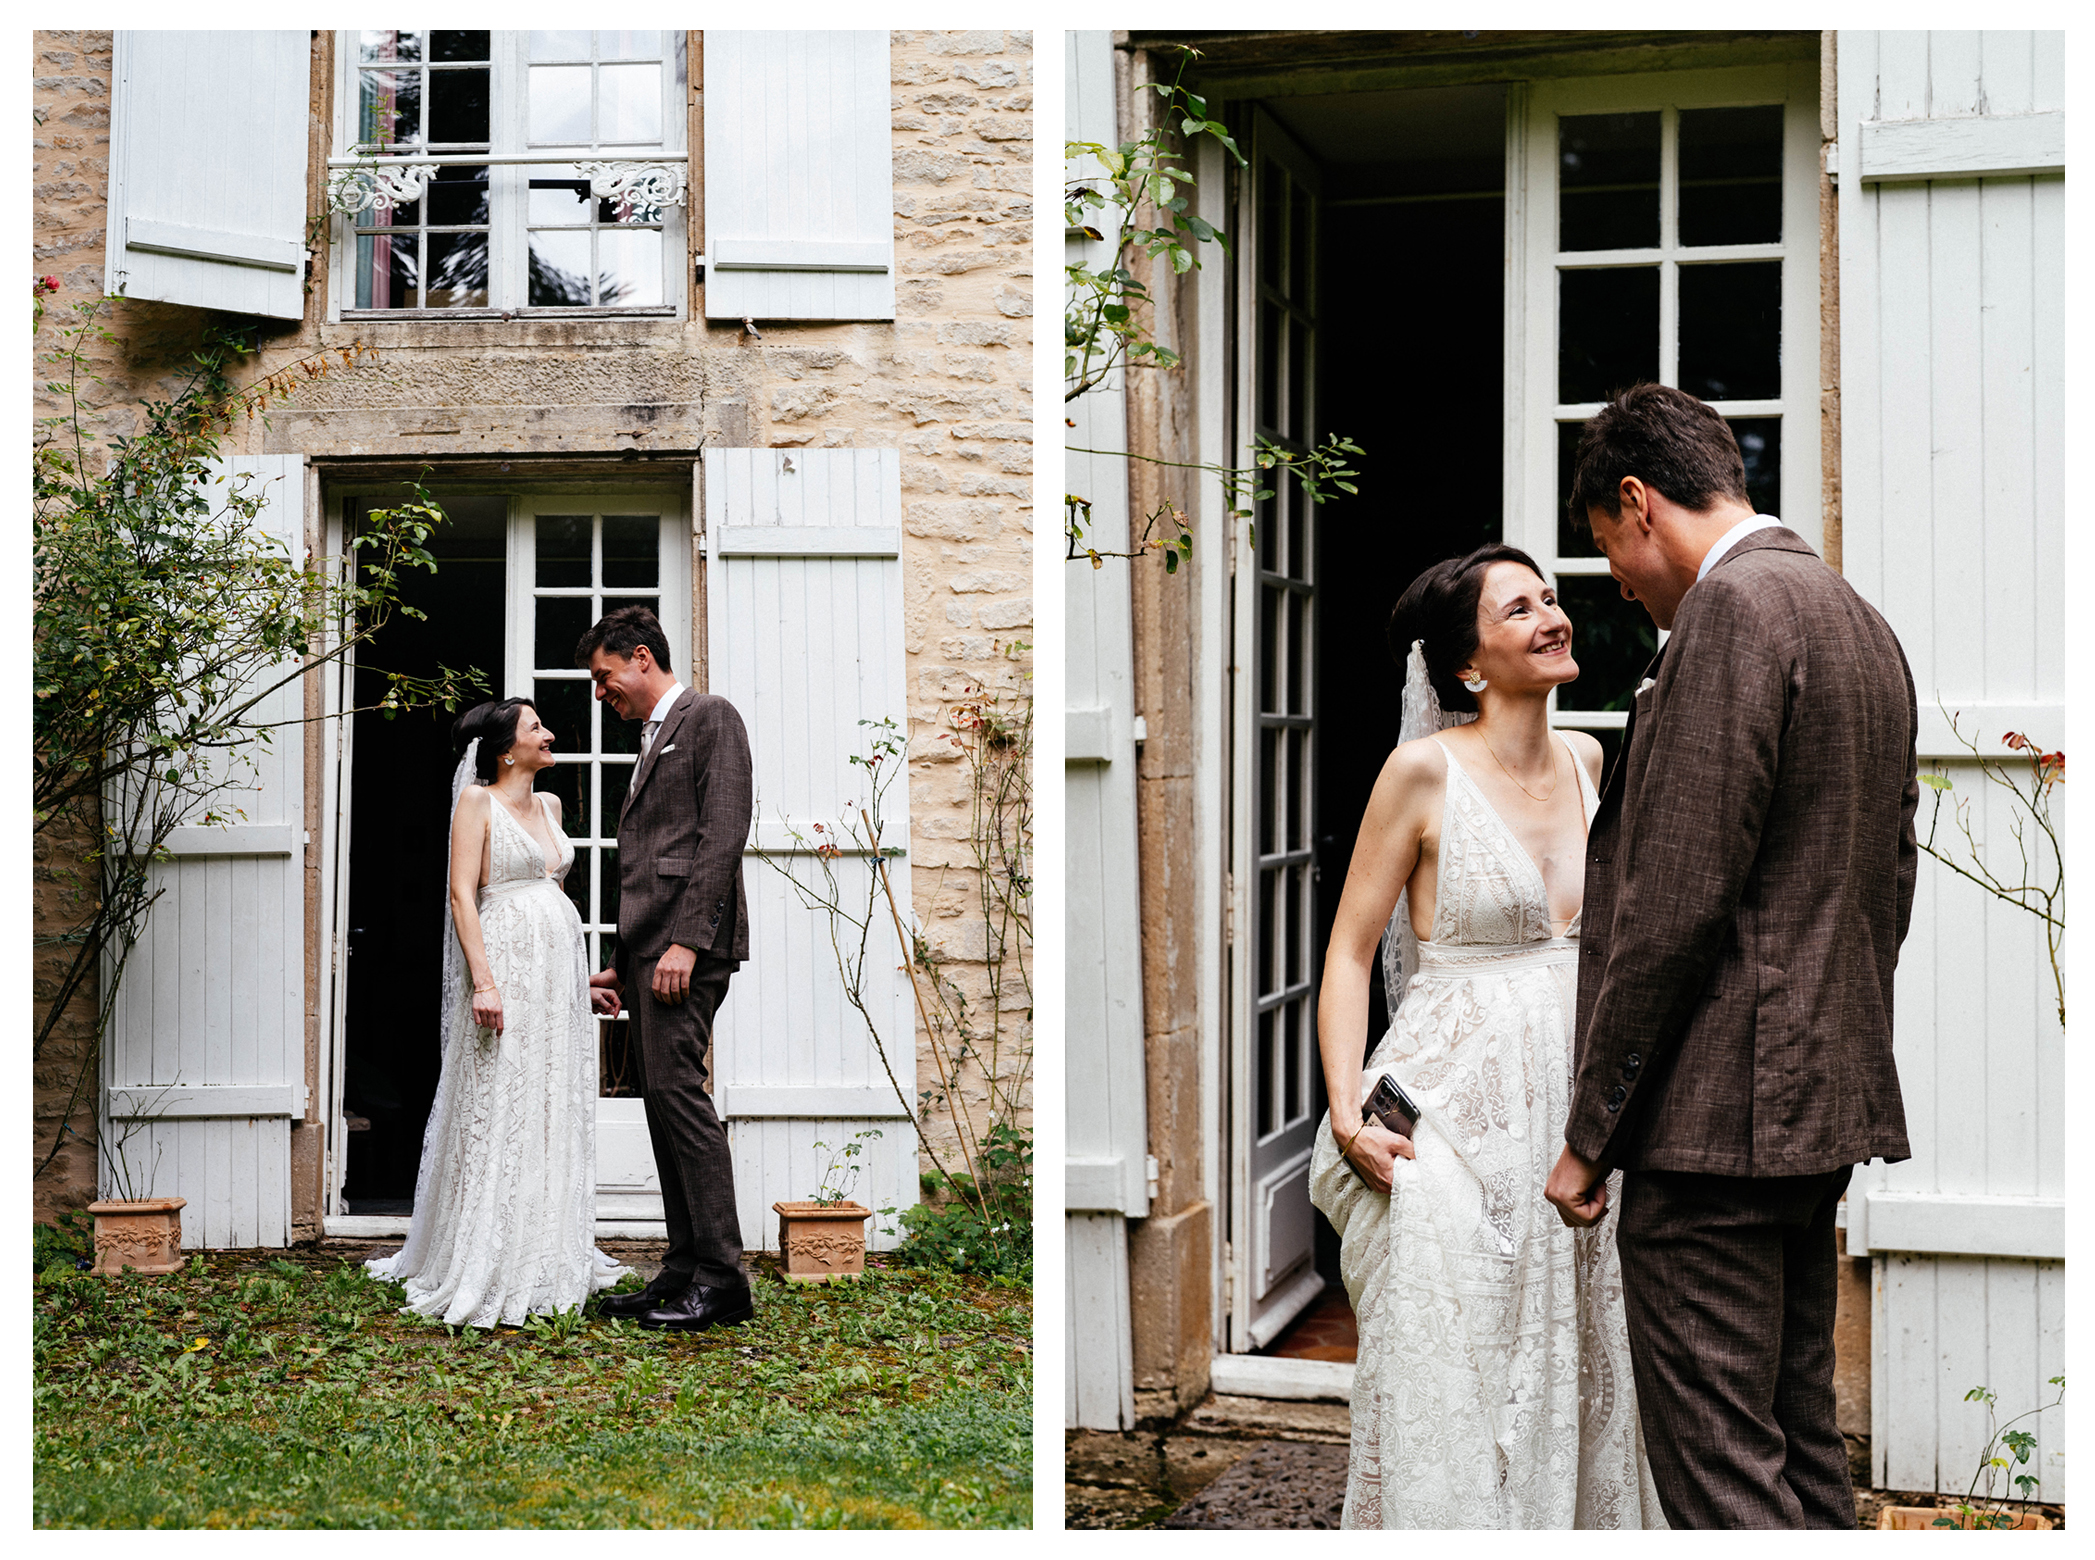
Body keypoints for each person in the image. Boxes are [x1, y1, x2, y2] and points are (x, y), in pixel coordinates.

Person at [1544, 383, 1918, 1528]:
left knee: (1720, 1478)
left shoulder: (1732, 615)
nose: (1615, 581)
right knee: (1801, 1447)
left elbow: (1671, 904)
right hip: (1815, 1109)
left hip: (1713, 1130)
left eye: (1608, 547)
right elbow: (1885, 881)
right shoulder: (1853, 615)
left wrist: (1588, 1135)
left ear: (1637, 501)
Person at [1309, 543, 1665, 1530]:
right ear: (1468, 664)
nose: (1552, 617)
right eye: (1520, 610)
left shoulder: (1589, 758)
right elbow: (1347, 957)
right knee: (1462, 1376)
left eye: (1549, 599)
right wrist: (1346, 1115)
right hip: (1450, 1116)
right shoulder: (1421, 773)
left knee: (1579, 1358)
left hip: (1568, 1112)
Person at [367, 699, 629, 1324]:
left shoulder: (552, 806)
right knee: (503, 1097)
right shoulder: (476, 804)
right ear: (507, 749)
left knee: (548, 1100)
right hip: (503, 965)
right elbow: (461, 894)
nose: (550, 734)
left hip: (552, 974)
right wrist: (484, 983)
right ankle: (490, 1247)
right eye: (536, 727)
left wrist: (578, 985)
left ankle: (546, 1247)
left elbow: (554, 896)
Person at [578, 606, 756, 1333]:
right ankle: (682, 1270)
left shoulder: (710, 717)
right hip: (650, 954)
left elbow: (722, 834)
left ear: (641, 658)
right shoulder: (654, 736)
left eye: (602, 676)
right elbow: (648, 861)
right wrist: (624, 962)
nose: (599, 692)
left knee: (681, 1099)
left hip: (688, 951)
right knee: (660, 1105)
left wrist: (686, 941)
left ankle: (721, 1280)